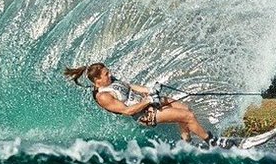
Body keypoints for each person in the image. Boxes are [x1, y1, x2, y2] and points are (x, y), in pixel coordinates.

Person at [64, 62, 217, 145]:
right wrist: (148, 100)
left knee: (185, 108)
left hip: (148, 102)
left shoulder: (111, 81)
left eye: (108, 71)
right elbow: (127, 111)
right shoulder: (103, 96)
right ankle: (213, 142)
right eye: (106, 74)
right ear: (98, 81)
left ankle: (187, 144)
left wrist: (148, 90)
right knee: (188, 116)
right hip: (144, 114)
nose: (110, 74)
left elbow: (129, 87)